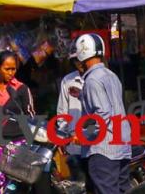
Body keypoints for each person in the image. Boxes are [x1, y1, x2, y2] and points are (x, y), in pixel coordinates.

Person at [74, 33, 130, 194]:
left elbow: (102, 114)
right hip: (122, 147)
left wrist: (83, 134)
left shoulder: (92, 81)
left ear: (82, 54)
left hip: (103, 151)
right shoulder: (111, 76)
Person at [0, 51, 35, 194]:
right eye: (7, 69)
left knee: (10, 186)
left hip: (18, 146)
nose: (11, 72)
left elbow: (31, 115)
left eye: (13, 69)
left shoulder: (21, 89)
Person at [56, 42, 90, 191]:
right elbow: (62, 112)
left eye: (81, 59)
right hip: (74, 144)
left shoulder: (98, 79)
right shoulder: (68, 81)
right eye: (76, 61)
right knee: (77, 185)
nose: (79, 64)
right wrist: (63, 136)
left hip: (96, 143)